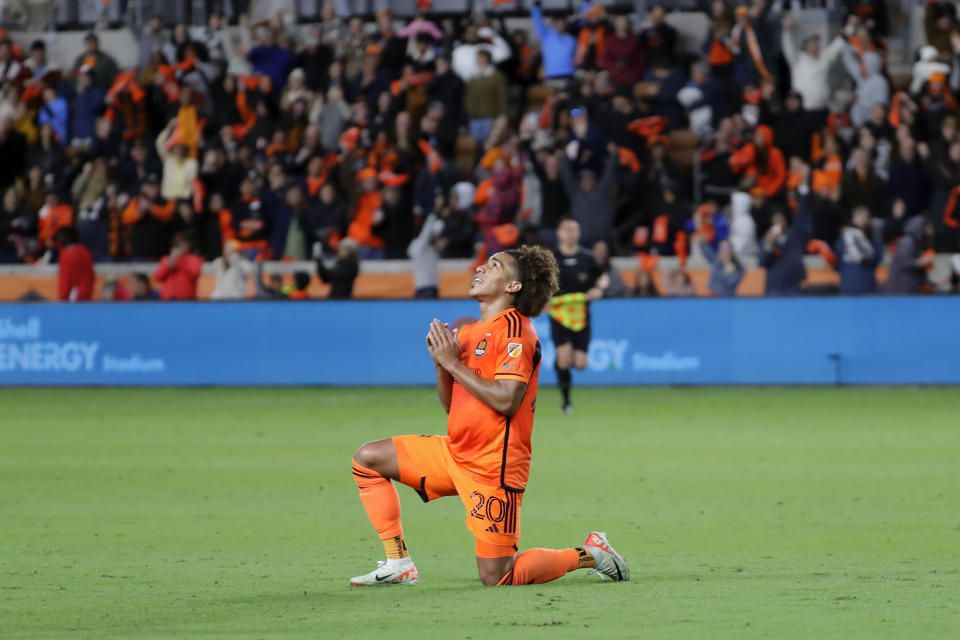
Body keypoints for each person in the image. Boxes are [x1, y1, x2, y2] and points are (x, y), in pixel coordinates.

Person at [349, 245, 629, 587]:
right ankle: (398, 562)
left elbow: (508, 400)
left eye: (494, 265)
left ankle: (592, 553)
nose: (480, 268)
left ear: (513, 286)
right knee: (368, 459)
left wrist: (452, 364)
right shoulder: (468, 334)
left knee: (498, 575)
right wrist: (441, 365)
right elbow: (453, 406)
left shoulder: (516, 331)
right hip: (455, 453)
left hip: (494, 467)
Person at [549, 218, 605, 414]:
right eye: (567, 229)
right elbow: (539, 282)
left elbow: (602, 276)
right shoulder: (552, 258)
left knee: (580, 364)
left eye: (574, 229)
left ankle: (560, 362)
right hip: (559, 314)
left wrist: (599, 288)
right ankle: (566, 403)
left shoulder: (587, 258)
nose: (570, 233)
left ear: (579, 233)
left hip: (581, 314)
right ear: (559, 233)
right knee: (565, 359)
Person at [834, 206, 883, 295]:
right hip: (848, 285)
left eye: (864, 217)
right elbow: (837, 263)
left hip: (867, 285)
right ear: (853, 218)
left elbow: (876, 259)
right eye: (859, 216)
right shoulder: (843, 240)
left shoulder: (873, 240)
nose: (862, 220)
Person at [153, 233, 203, 300]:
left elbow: (195, 273)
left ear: (188, 244)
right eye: (177, 243)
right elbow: (157, 277)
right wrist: (169, 264)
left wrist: (180, 260)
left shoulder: (194, 258)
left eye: (182, 243)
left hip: (187, 301)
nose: (179, 245)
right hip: (167, 300)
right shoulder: (167, 259)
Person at [55, 227, 94, 302]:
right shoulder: (86, 252)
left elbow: (65, 279)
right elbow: (91, 275)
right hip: (87, 295)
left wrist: (62, 299)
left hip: (73, 298)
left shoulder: (66, 254)